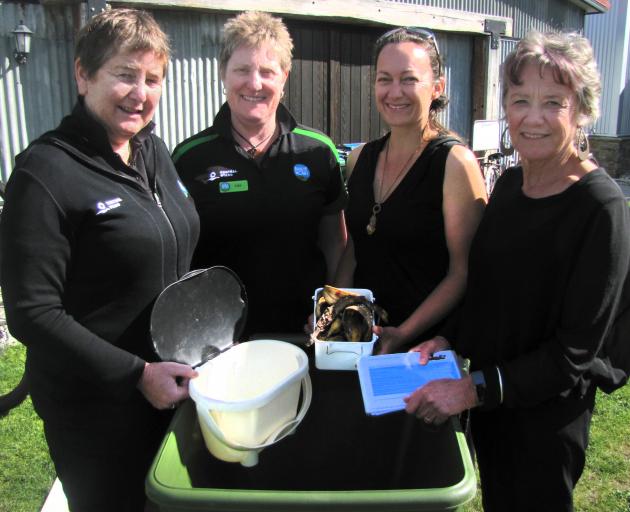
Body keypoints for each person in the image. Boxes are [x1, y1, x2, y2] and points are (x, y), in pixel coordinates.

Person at [404, 31, 630, 511]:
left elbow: (573, 355)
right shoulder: (508, 185)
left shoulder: (600, 207)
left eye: (554, 102)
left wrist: (470, 388)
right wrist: (450, 340)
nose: (533, 117)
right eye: (520, 99)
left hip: (544, 422)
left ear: (582, 109)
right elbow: (490, 291)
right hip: (493, 408)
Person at [0, 9, 200, 511]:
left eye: (152, 79)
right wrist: (136, 375)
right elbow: (32, 312)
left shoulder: (151, 150)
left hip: (168, 388)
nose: (141, 92)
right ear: (83, 74)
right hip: (97, 410)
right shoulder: (45, 172)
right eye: (125, 74)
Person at [173, 11, 347, 337]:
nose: (255, 83)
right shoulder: (189, 157)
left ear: (285, 76)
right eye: (242, 70)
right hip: (220, 339)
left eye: (267, 71)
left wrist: (332, 306)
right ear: (223, 72)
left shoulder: (319, 150)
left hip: (305, 331)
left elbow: (336, 241)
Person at [334, 27, 487, 352]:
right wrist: (335, 313)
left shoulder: (455, 163)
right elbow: (354, 250)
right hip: (363, 339)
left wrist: (403, 333)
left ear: (437, 87)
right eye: (384, 78)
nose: (394, 91)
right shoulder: (360, 158)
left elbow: (463, 272)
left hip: (423, 349)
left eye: (408, 79)